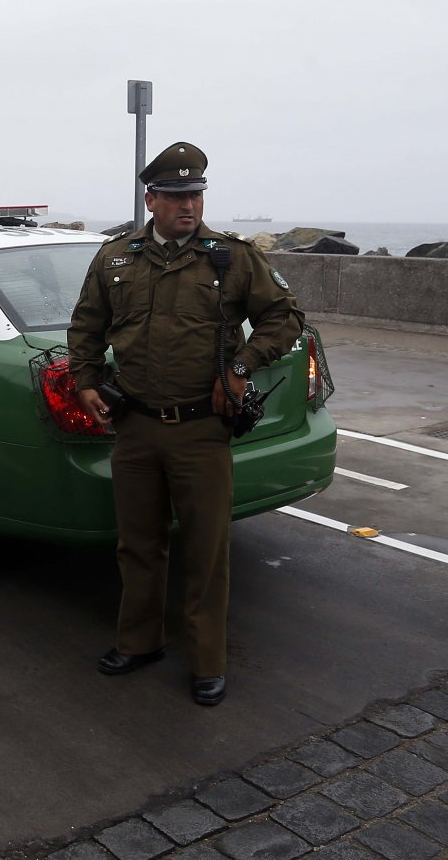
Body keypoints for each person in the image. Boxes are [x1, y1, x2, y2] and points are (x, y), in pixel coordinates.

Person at [67, 141, 303, 706]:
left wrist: (243, 366)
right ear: (152, 200)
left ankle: (207, 661)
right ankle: (139, 640)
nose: (188, 206)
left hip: (201, 429)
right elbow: (87, 326)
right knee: (139, 544)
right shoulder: (116, 257)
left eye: (195, 194)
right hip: (137, 426)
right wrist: (85, 381)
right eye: (175, 196)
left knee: (206, 549)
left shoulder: (230, 257)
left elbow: (284, 317)